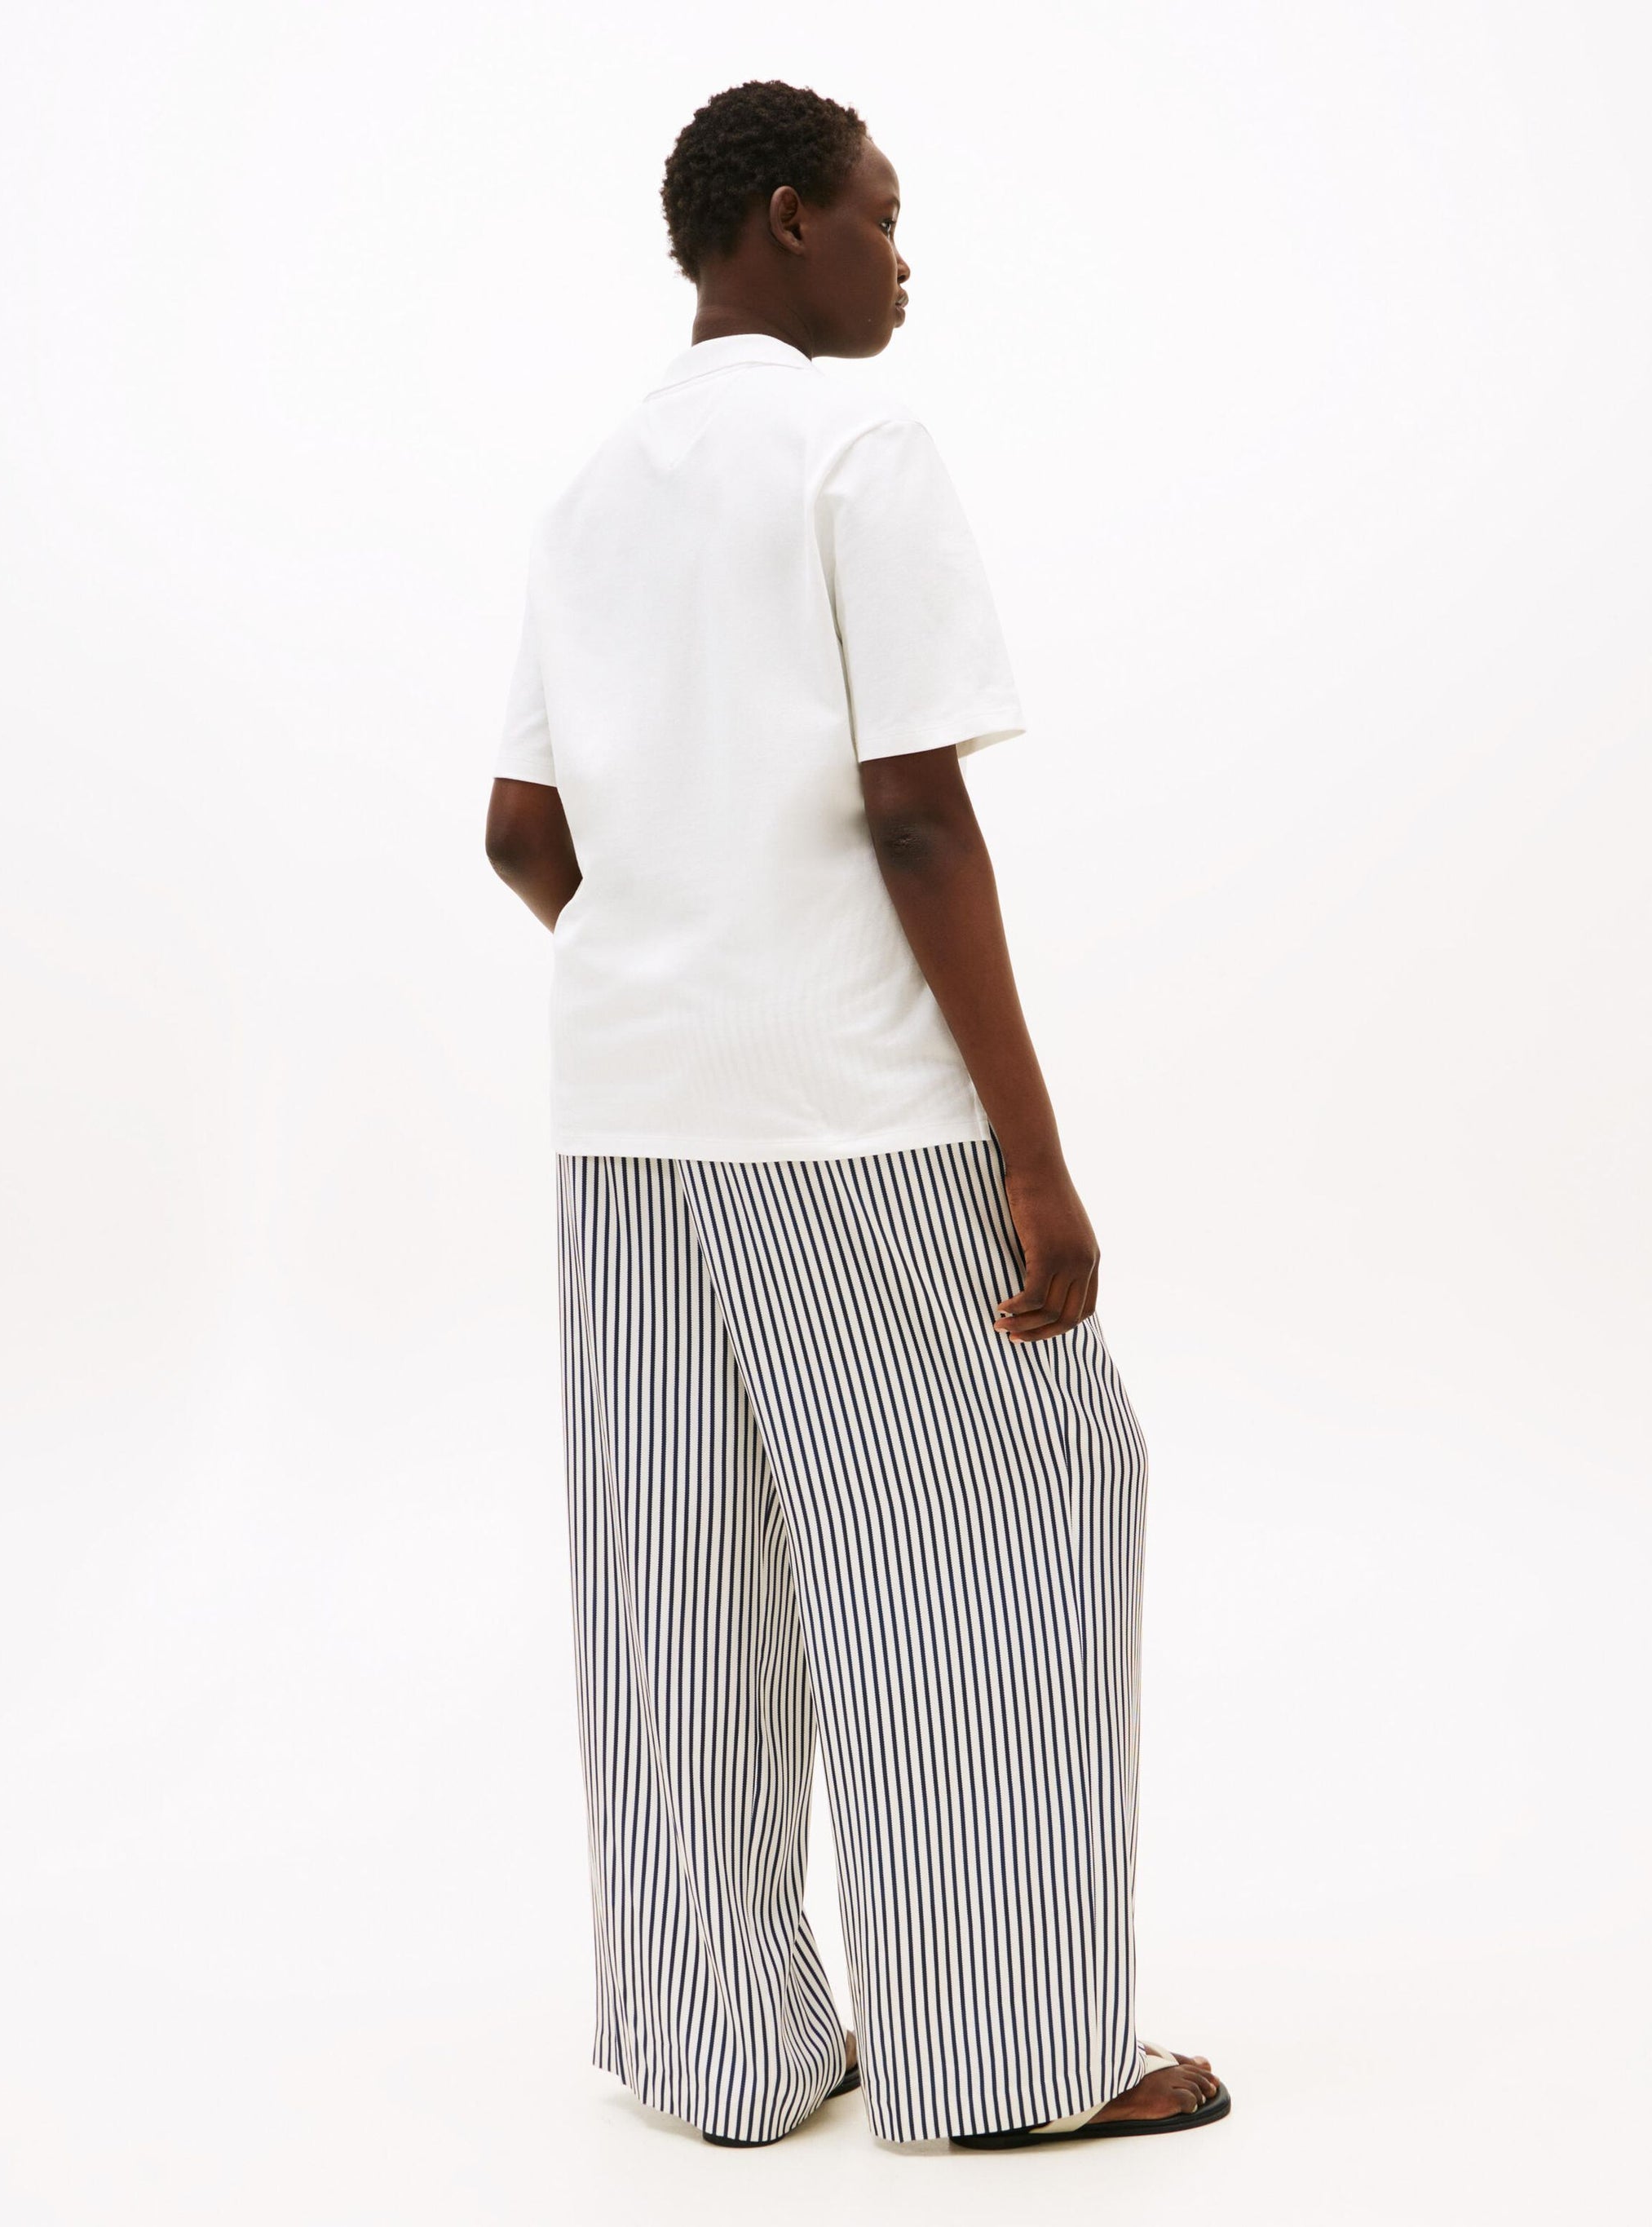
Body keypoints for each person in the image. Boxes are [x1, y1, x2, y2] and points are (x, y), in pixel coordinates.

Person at [484, 77, 1228, 2152]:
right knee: (1010, 1528)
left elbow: (521, 832)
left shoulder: (590, 491)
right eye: (883, 218)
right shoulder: (852, 446)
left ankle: (725, 2047)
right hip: (847, 1113)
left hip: (627, 1116)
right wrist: (1034, 1156)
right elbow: (914, 815)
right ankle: (1008, 2053)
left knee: (679, 1576)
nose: (906, 261)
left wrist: (673, 954)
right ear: (789, 218)